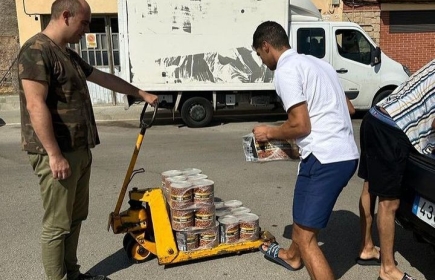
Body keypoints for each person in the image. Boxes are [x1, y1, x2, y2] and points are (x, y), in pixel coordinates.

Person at [17, 0, 158, 279]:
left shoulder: (67, 54)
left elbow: (103, 78)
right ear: (66, 16)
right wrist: (55, 155)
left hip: (78, 150)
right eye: (84, 22)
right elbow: (35, 105)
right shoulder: (36, 51)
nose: (87, 29)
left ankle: (73, 273)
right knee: (58, 225)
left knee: (75, 218)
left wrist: (140, 93)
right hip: (57, 153)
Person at [252, 21, 359, 280]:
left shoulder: (286, 71)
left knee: (305, 238)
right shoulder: (319, 64)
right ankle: (292, 256)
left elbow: (300, 123)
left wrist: (270, 132)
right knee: (303, 224)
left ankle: (299, 252)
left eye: (259, 54)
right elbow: (350, 109)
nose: (262, 61)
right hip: (343, 154)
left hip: (324, 159)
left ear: (266, 46)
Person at [357, 59, 435, 280]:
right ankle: (388, 269)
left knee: (370, 186)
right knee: (389, 203)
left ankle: (366, 247)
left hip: (374, 117)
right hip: (393, 129)